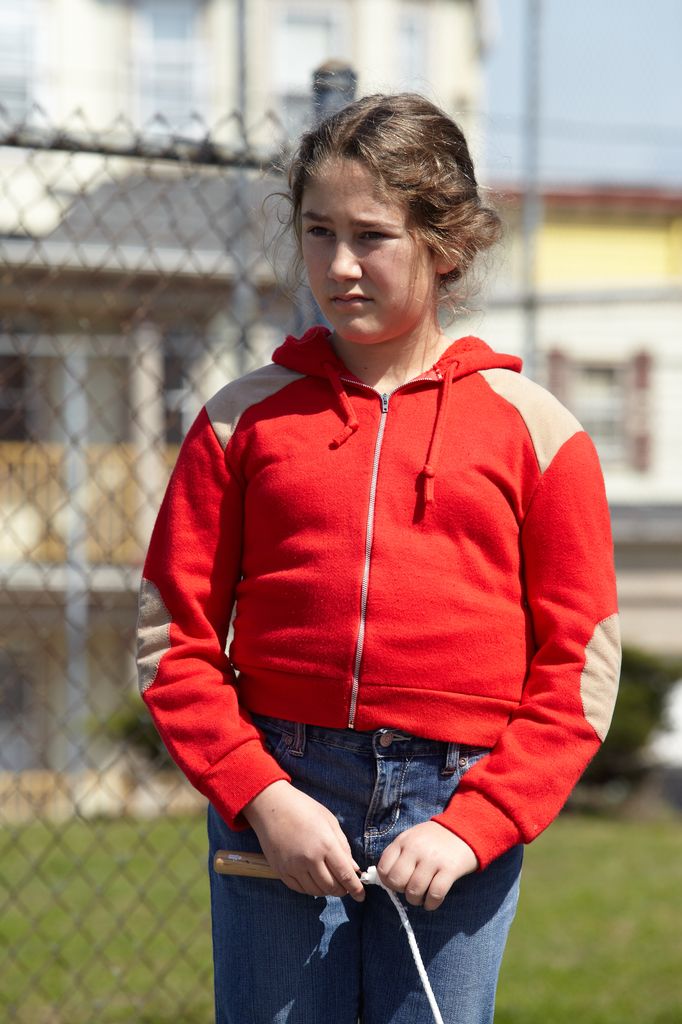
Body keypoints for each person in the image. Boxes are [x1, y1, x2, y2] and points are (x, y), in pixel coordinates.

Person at [136, 93, 620, 1024]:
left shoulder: (538, 433)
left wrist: (477, 824)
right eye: (318, 232)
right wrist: (261, 796)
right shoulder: (240, 420)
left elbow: (580, 667)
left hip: (457, 811)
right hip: (278, 793)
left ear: (447, 244)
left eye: (372, 236)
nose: (339, 265)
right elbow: (172, 640)